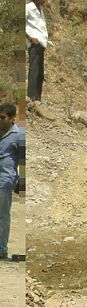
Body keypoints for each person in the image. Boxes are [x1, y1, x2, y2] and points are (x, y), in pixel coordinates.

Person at [0, 103, 23, 260]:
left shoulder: (18, 135)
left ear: (12, 118)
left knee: (2, 215)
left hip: (5, 180)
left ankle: (1, 249)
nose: (0, 120)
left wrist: (21, 180)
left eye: (2, 117)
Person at [25, 0, 49, 104]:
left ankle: (38, 98)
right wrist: (30, 38)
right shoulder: (28, 8)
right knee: (34, 70)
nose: (44, 0)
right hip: (34, 43)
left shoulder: (40, 9)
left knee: (40, 72)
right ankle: (31, 97)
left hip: (41, 43)